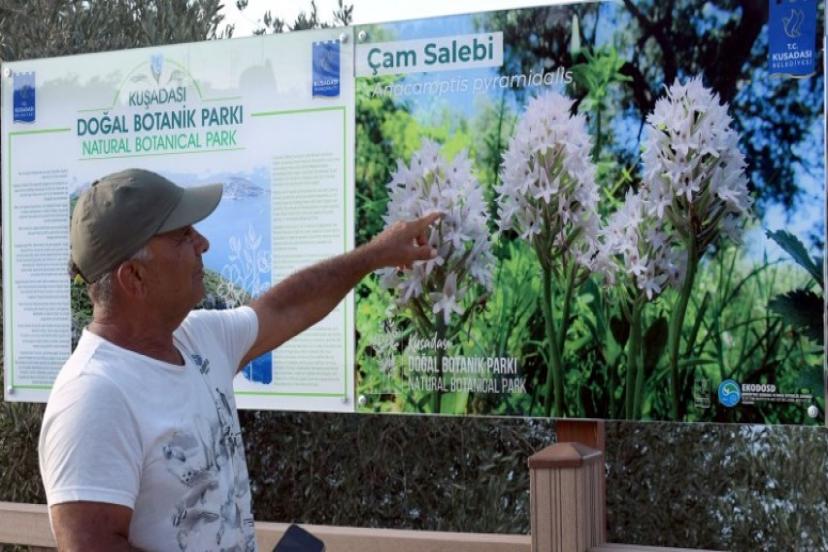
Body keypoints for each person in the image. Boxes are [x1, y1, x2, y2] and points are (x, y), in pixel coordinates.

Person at [38, 168, 439, 551]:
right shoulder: (93, 397)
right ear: (134, 278)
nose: (203, 243)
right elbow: (90, 546)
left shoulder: (198, 338)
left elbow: (285, 306)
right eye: (183, 235)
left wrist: (376, 254)